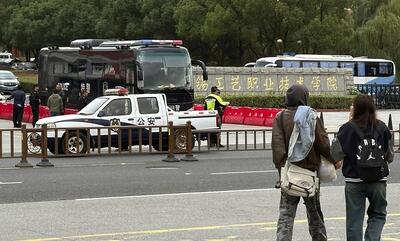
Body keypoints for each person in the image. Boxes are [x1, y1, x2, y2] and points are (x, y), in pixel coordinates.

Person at [271, 84, 341, 241]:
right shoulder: (311, 116)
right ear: (304, 98)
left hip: (289, 174)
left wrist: (282, 169)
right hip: (310, 174)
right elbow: (322, 143)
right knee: (315, 214)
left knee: (286, 216)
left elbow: (277, 147)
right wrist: (334, 160)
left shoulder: (280, 117)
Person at [331, 94, 392, 241]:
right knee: (378, 214)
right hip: (378, 181)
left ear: (355, 109)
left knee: (354, 220)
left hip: (354, 181)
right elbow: (389, 156)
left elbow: (335, 154)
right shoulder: (382, 127)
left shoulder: (346, 129)